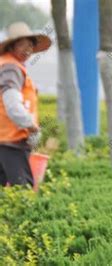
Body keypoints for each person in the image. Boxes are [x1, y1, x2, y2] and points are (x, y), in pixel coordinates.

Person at [0, 22, 51, 188]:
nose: (28, 50)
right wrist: (32, 127)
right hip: (12, 141)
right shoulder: (11, 68)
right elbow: (13, 104)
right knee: (23, 191)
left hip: (5, 139)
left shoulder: (7, 65)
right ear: (12, 45)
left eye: (31, 45)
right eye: (23, 44)